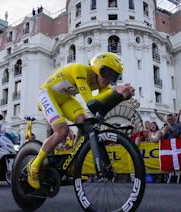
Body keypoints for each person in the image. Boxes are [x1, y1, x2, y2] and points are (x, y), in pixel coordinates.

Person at [27, 52, 134, 189]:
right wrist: (115, 90)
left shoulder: (103, 84)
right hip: (47, 94)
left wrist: (121, 96)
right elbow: (91, 102)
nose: (108, 80)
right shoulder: (80, 70)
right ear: (97, 68)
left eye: (113, 77)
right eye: (107, 73)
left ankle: (72, 164)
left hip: (65, 98)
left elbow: (99, 108)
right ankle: (34, 166)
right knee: (62, 131)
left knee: (85, 123)